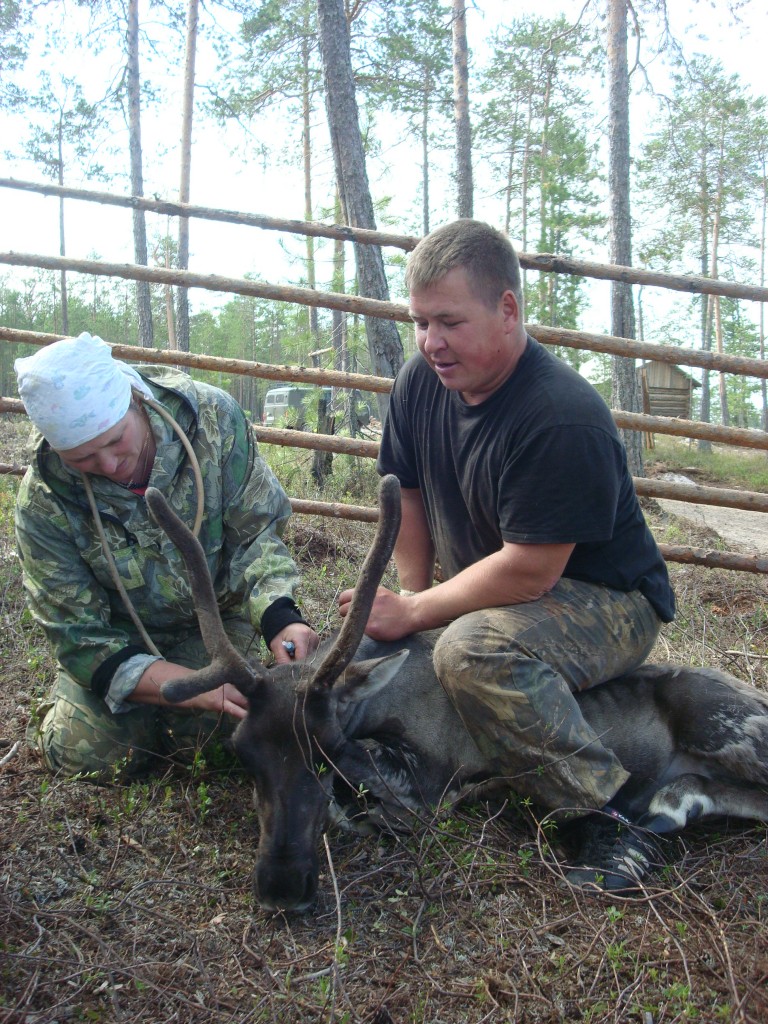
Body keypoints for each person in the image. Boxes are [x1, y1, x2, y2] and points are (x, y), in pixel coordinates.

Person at [339, 220, 676, 892]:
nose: (432, 342)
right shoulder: (418, 384)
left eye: (449, 322)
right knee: (379, 645)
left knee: (470, 652)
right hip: (500, 589)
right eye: (419, 322)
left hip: (608, 599)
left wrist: (419, 613)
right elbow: (405, 491)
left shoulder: (560, 414)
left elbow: (532, 569)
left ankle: (612, 816)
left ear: (508, 309)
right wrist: (412, 601)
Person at [15, 332, 318, 780]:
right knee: (93, 755)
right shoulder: (45, 501)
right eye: (83, 458)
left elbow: (257, 534)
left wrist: (280, 616)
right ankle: (82, 707)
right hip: (120, 641)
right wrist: (190, 688)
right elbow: (77, 635)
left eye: (116, 439)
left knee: (228, 732)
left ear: (135, 399)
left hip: (214, 624)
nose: (110, 464)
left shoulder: (213, 420)